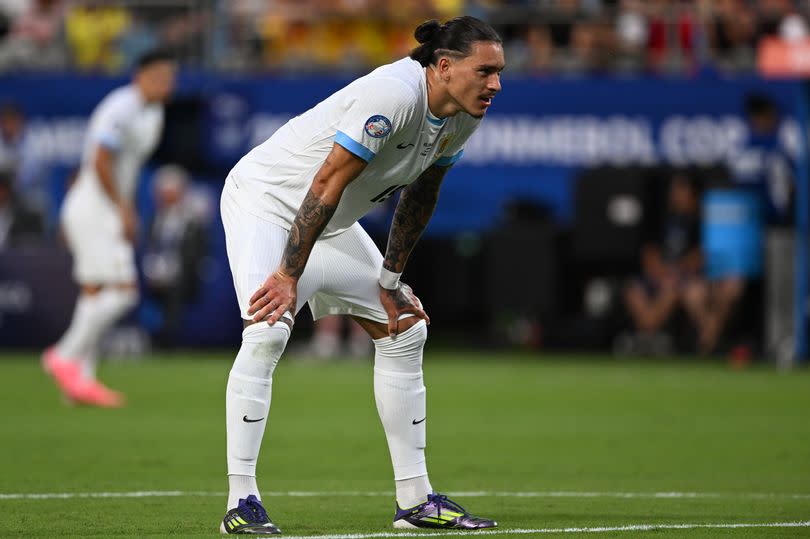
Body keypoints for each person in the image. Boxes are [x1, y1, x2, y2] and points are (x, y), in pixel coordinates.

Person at [219, 16, 503, 534]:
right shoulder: (393, 94)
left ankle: (415, 501)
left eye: (498, 72)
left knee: (406, 328)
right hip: (267, 202)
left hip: (327, 221)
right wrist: (286, 273)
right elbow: (328, 179)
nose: (495, 84)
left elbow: (421, 194)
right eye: (485, 70)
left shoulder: (464, 113)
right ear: (443, 66)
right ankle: (241, 502)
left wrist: (391, 284)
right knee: (267, 329)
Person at [42, 49, 176, 407]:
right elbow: (100, 161)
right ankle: (63, 355)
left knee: (93, 293)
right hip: (97, 208)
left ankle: (78, 385)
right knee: (124, 292)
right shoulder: (122, 106)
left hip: (103, 208)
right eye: (161, 77)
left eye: (171, 78)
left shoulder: (155, 113)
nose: (168, 84)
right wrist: (123, 208)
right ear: (140, 76)